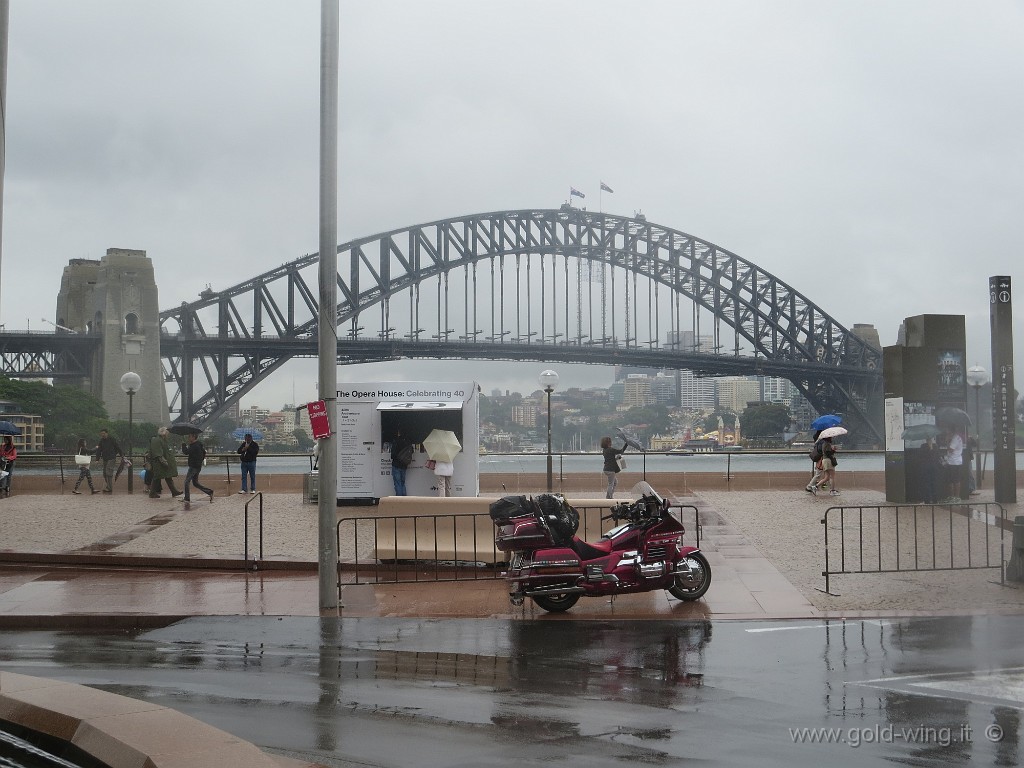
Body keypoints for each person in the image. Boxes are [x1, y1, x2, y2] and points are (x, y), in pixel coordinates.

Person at [180, 432, 214, 508]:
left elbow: (186, 452)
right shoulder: (199, 445)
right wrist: (200, 461)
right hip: (198, 466)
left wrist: (183, 445)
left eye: (189, 436)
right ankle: (209, 492)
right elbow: (204, 453)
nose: (188, 438)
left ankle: (187, 498)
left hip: (193, 466)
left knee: (186, 482)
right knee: (195, 483)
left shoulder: (194, 446)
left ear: (193, 437)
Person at [148, 427, 183, 499]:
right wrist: (164, 462)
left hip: (163, 463)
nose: (168, 434)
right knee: (156, 477)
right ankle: (152, 493)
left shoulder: (163, 440)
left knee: (168, 477)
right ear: (164, 433)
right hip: (159, 463)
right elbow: (158, 453)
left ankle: (174, 492)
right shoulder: (157, 440)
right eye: (167, 433)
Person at [95, 428, 124, 494]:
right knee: (105, 473)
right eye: (101, 434)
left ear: (107, 433)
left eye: (104, 433)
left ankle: (110, 488)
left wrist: (122, 455)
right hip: (105, 458)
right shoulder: (101, 441)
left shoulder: (112, 439)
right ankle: (108, 486)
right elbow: (99, 450)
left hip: (111, 458)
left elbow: (117, 447)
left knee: (108, 472)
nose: (103, 435)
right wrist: (97, 459)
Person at [939, 427, 964, 502]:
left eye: (947, 432)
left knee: (955, 480)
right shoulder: (954, 438)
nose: (946, 433)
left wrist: (947, 441)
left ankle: (957, 497)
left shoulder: (955, 439)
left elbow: (951, 449)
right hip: (951, 461)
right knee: (949, 480)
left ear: (951, 431)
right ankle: (951, 496)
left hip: (955, 462)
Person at [390, 428, 413, 496]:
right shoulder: (408, 441)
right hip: (404, 465)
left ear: (399, 433)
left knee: (397, 483)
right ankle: (404, 500)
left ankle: (399, 500)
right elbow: (412, 451)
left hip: (396, 465)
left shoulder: (396, 441)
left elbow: (393, 455)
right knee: (403, 483)